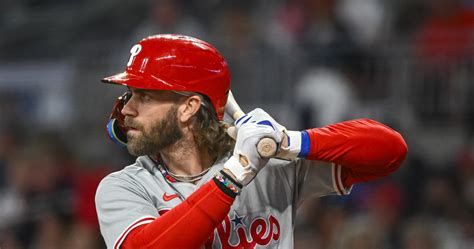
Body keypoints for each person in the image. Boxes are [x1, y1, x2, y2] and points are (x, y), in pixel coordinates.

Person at [95, 34, 408, 249]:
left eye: (143, 96)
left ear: (189, 108)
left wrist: (290, 141)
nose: (127, 109)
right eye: (130, 94)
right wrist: (234, 175)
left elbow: (390, 152)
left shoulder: (265, 162)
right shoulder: (124, 186)